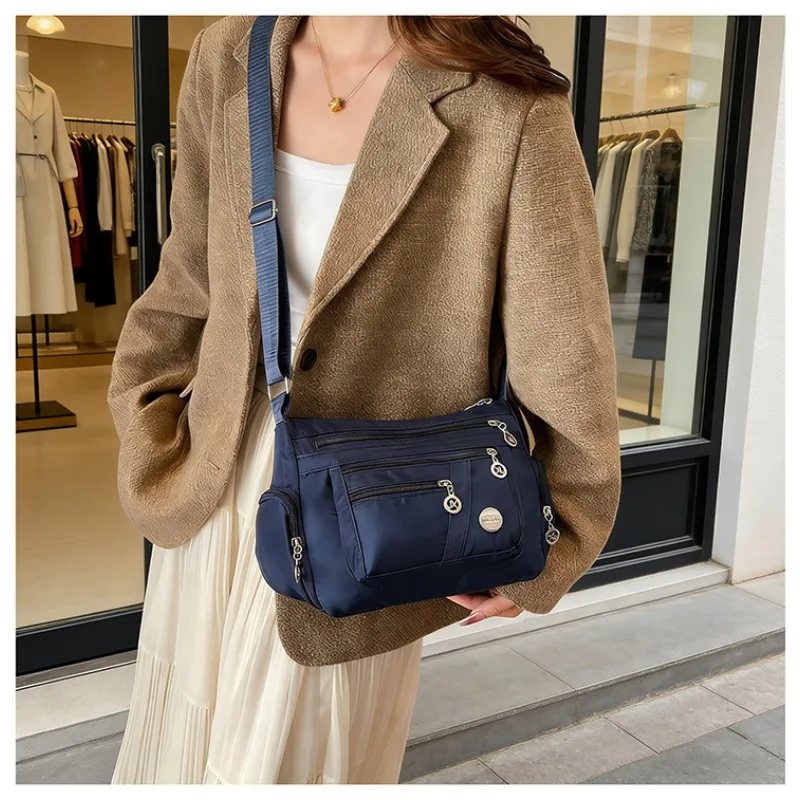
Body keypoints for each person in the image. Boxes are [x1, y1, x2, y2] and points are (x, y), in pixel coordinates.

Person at [108, 15, 621, 785]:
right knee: (183, 748)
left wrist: (554, 540)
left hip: (375, 518)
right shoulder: (229, 54)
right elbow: (191, 271)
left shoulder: (504, 91)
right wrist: (146, 414)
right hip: (214, 479)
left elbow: (563, 342)